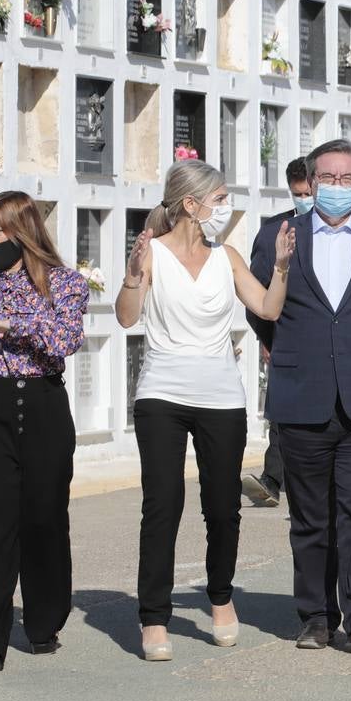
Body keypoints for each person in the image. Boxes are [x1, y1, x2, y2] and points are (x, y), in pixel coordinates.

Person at [120, 159, 293, 660]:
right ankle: (154, 617)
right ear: (190, 205)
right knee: (162, 504)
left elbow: (268, 309)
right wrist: (133, 278)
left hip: (221, 396)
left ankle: (221, 597)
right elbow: (129, 318)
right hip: (161, 394)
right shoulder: (149, 253)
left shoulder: (227, 256)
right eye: (218, 198)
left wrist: (280, 267)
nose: (226, 207)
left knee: (222, 506)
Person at [248, 138, 351, 653]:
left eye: (346, 179)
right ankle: (315, 615)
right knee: (311, 515)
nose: (336, 187)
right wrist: (300, 354)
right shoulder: (277, 234)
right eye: (327, 178)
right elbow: (261, 310)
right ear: (310, 182)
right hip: (302, 393)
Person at [0, 192, 87, 675]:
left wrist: (12, 325)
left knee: (44, 517)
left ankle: (44, 623)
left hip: (44, 404)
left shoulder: (65, 283)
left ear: (22, 231)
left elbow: (65, 338)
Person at [242, 157, 312, 509]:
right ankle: (272, 478)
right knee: (283, 414)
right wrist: (267, 339)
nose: (305, 199)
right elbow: (256, 293)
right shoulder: (273, 232)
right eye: (298, 193)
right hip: (286, 340)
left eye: (309, 191)